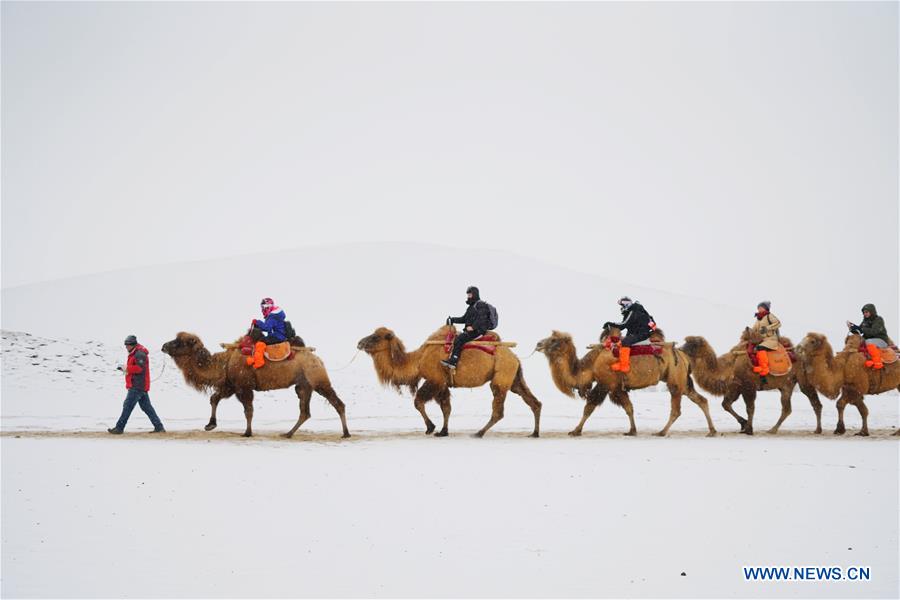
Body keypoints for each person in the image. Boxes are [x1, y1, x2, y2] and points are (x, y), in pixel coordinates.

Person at [108, 335, 165, 434]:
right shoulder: (135, 353)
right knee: (147, 408)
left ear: (132, 344)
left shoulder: (139, 354)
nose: (126, 347)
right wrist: (125, 369)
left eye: (127, 345)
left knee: (128, 406)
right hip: (139, 385)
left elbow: (139, 369)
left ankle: (119, 428)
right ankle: (159, 427)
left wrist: (125, 368)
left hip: (137, 386)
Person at [441, 286, 493, 370]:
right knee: (458, 337)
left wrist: (473, 327)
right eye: (468, 295)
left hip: (478, 331)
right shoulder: (471, 307)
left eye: (470, 294)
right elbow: (464, 319)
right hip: (471, 331)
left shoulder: (480, 305)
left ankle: (453, 360)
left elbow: (482, 318)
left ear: (474, 294)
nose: (468, 296)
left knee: (459, 339)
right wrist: (452, 320)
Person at [602, 297, 655, 373]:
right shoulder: (638, 310)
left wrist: (610, 323)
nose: (622, 308)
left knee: (625, 342)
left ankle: (624, 366)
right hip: (639, 333)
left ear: (627, 304)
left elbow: (623, 325)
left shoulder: (633, 311)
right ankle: (621, 360)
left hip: (642, 334)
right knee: (622, 340)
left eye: (622, 306)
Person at [247, 297, 288, 369]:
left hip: (277, 336)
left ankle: (259, 362)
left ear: (268, 307)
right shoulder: (276, 315)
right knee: (264, 339)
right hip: (279, 335)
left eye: (264, 307)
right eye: (262, 307)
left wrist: (258, 322)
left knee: (260, 343)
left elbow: (267, 328)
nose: (262, 310)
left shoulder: (272, 316)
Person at [847, 303, 890, 369]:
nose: (865, 314)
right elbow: (860, 331)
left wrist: (861, 329)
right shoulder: (865, 321)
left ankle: (878, 363)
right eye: (864, 312)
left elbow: (874, 331)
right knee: (859, 343)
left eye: (866, 312)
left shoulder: (878, 319)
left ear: (871, 311)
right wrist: (852, 328)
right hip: (869, 341)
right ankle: (866, 360)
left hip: (881, 340)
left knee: (868, 342)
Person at [750, 301, 781, 377]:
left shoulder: (769, 316)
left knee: (759, 348)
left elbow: (778, 323)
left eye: (761, 307)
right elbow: (754, 329)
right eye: (758, 308)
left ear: (765, 308)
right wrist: (749, 331)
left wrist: (767, 328)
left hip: (770, 339)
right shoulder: (758, 319)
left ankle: (764, 368)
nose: (759, 309)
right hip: (762, 340)